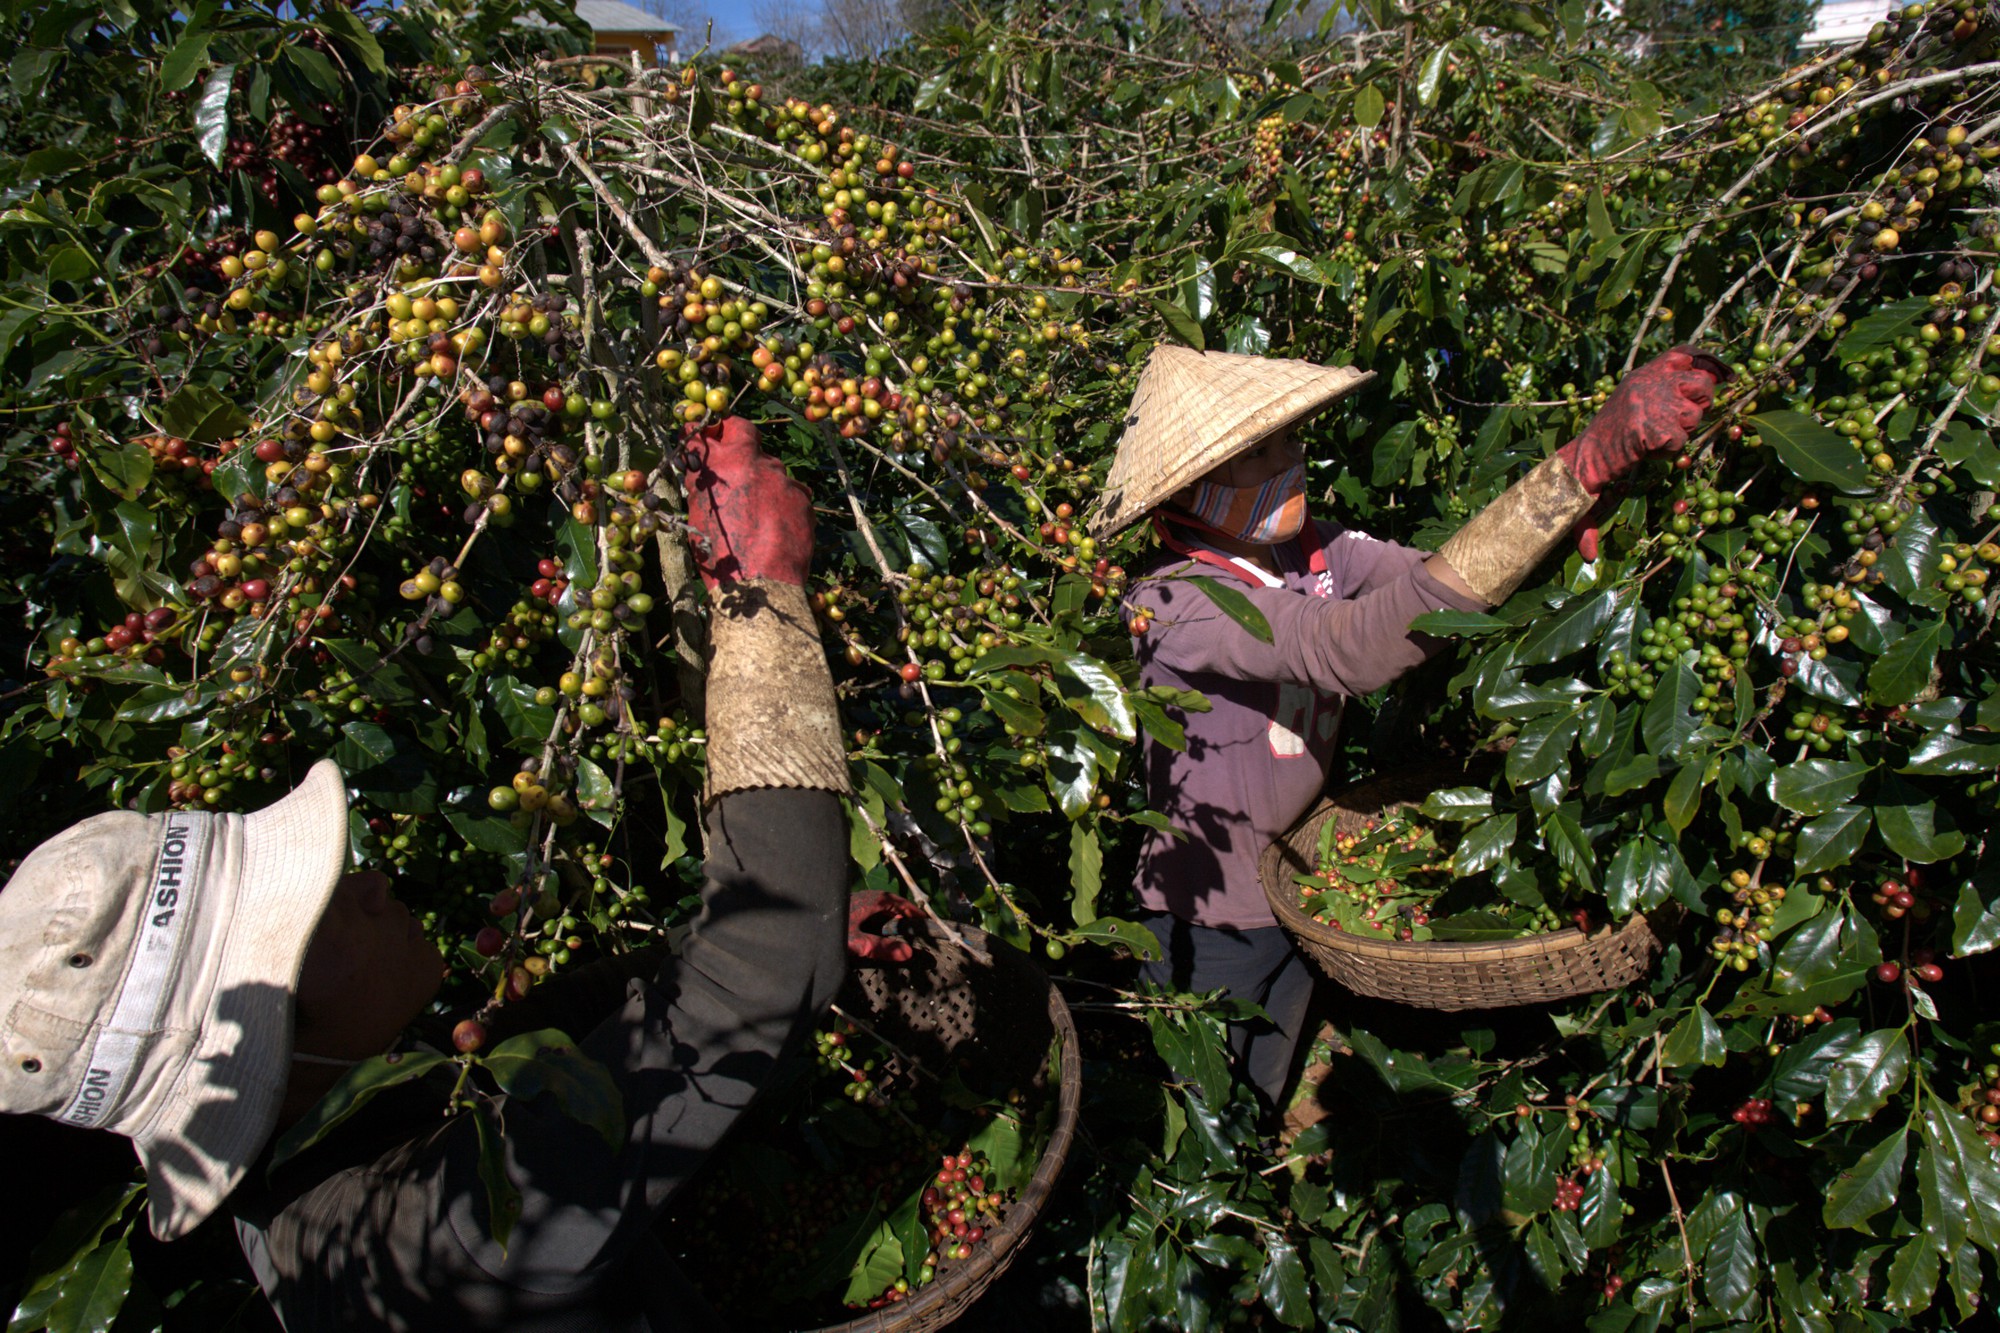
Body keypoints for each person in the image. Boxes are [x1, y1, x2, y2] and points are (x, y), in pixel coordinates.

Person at [0, 417, 856, 1330]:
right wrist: (765, 603)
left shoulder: (338, 1129)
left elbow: (561, 1054)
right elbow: (762, 968)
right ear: (267, 1039)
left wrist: (772, 925)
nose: (366, 884)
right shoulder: (420, 1242)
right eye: (313, 909)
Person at [1090, 345, 1725, 1115]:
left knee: (1274, 1066)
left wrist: (1556, 529)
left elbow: (1434, 579)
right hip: (1212, 911)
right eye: (1263, 450)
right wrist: (1575, 466)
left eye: (1290, 437)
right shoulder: (1176, 602)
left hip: (1299, 880)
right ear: (1194, 486)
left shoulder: (1309, 546)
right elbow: (1355, 645)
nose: (1294, 456)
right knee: (1209, 1108)